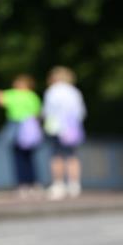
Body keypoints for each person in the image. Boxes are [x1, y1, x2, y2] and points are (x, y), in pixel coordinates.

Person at [42, 66, 86, 199]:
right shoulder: (74, 91)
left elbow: (48, 111)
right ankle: (74, 185)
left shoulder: (52, 91)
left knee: (57, 156)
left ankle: (58, 185)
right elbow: (81, 112)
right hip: (72, 127)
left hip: (57, 127)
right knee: (72, 156)